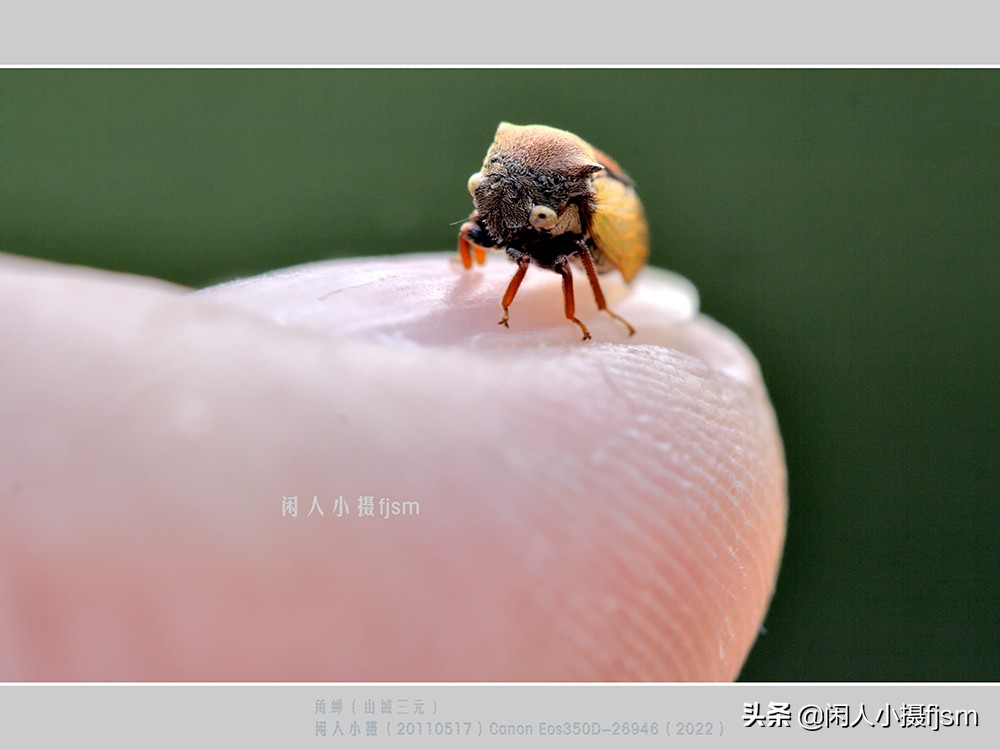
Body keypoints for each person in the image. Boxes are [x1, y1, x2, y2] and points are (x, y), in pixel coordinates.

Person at [0, 251, 786, 681]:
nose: (481, 227)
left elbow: (596, 245)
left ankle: (587, 316)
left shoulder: (564, 215)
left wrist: (585, 317)